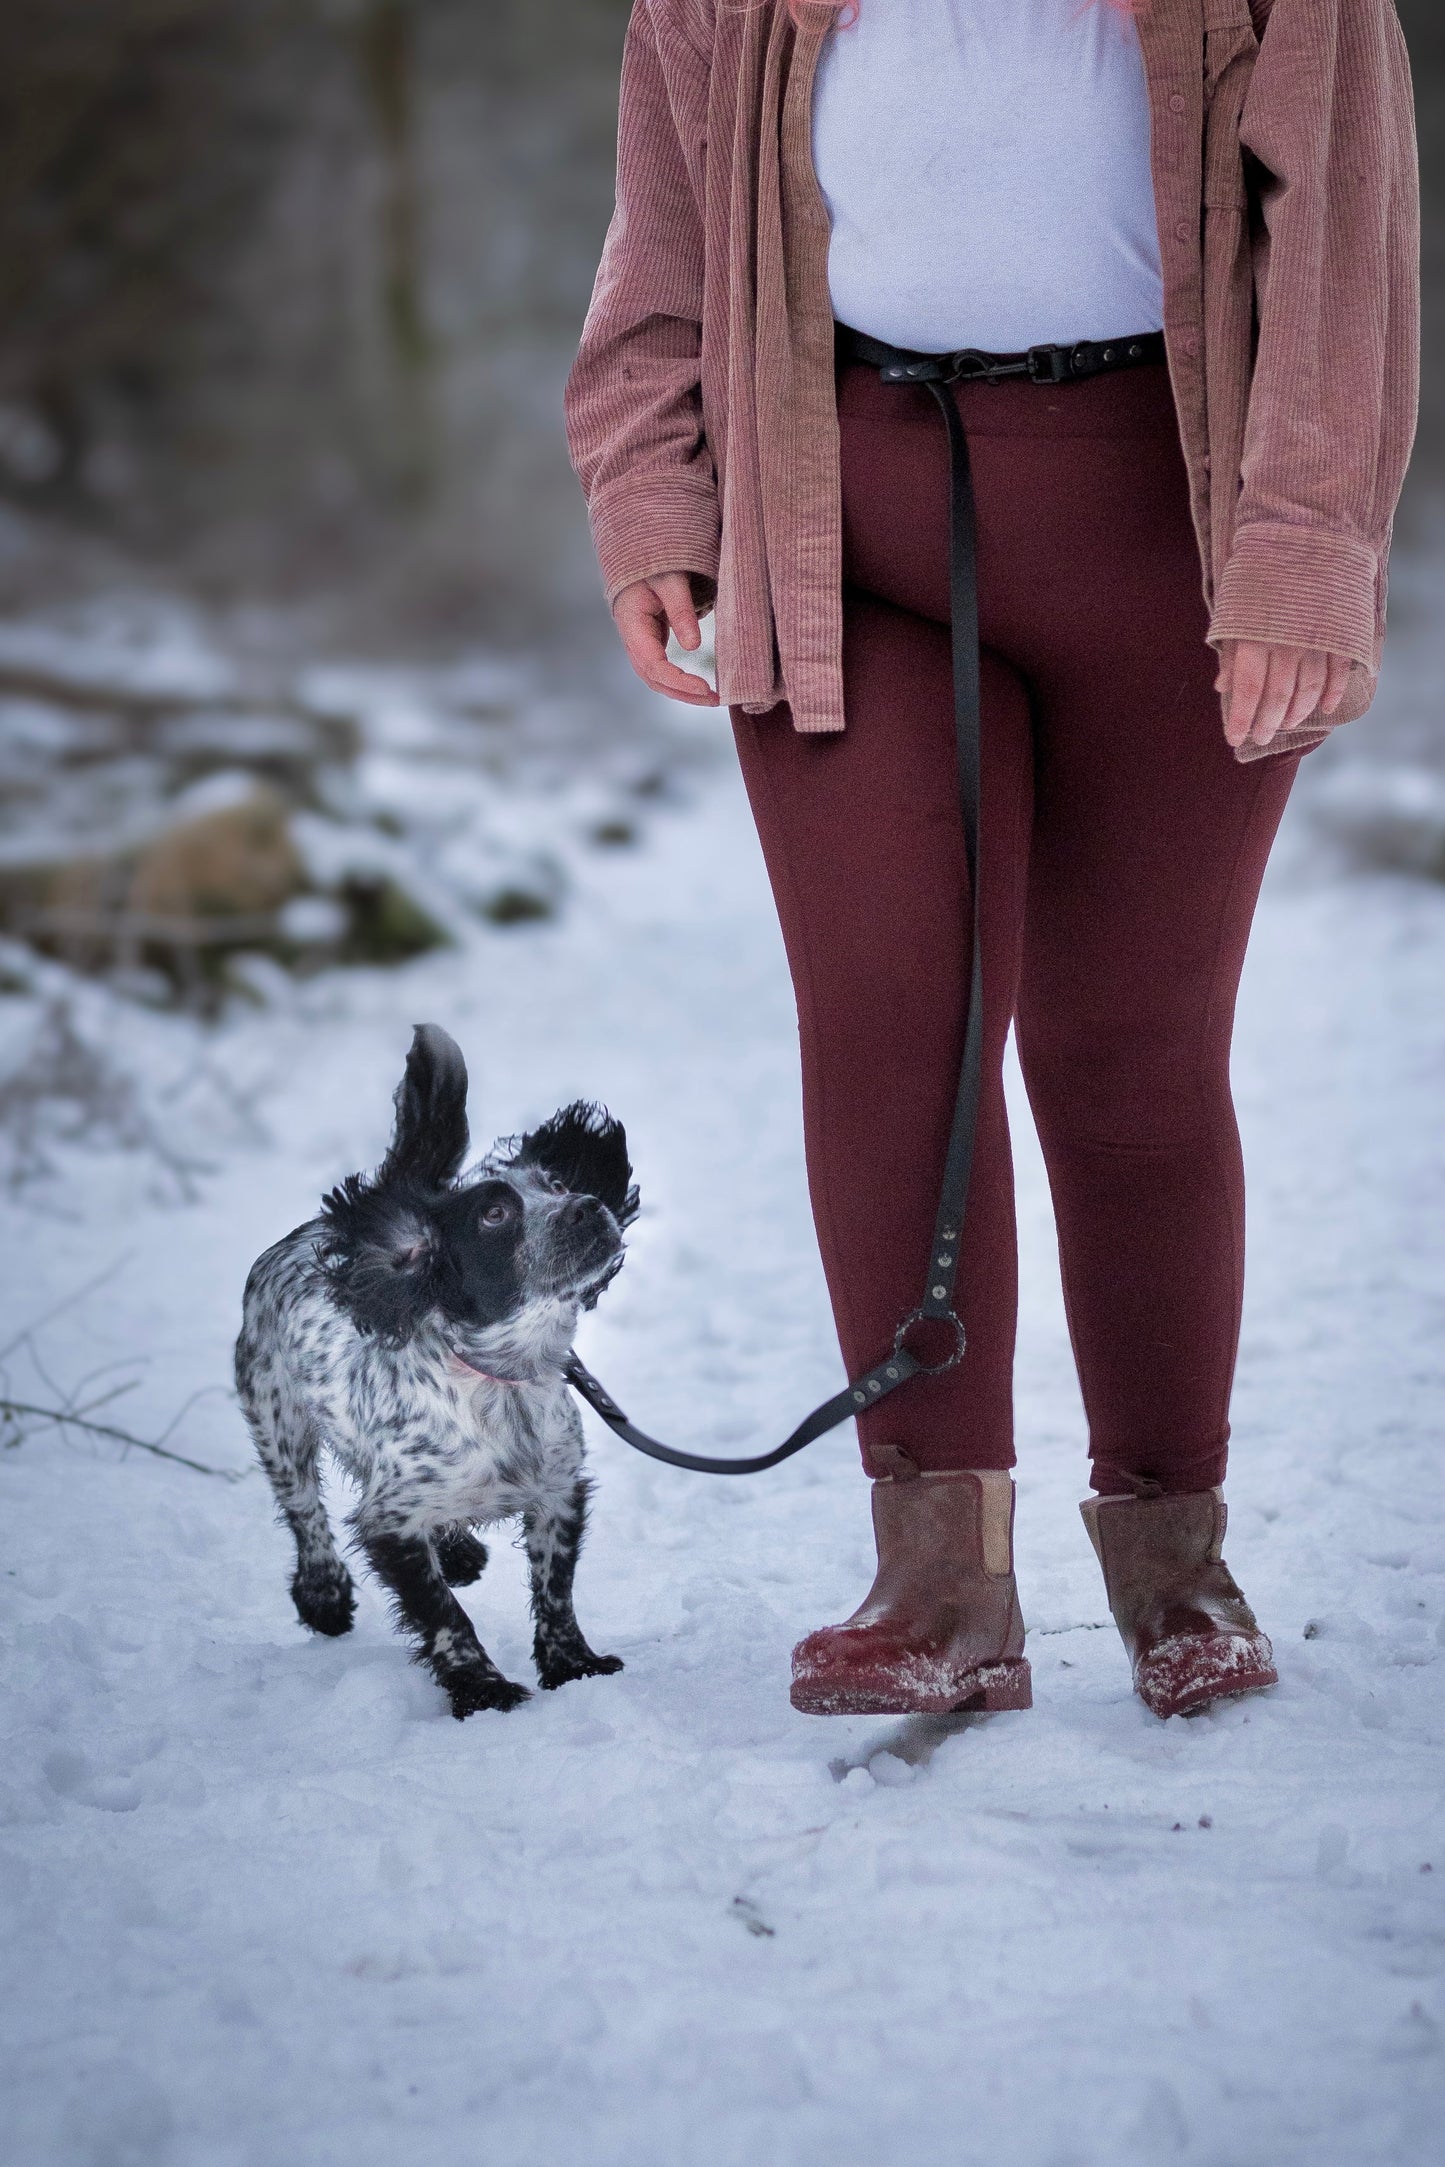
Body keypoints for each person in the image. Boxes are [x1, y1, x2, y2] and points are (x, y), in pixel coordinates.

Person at [565, 0, 1419, 1721]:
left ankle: (1174, 1560)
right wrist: (652, 498)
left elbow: (1341, 238)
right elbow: (657, 247)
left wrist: (1309, 550)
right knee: (895, 1037)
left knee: (1126, 1059)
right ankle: (938, 1585)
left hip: (1161, 522)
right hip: (836, 527)